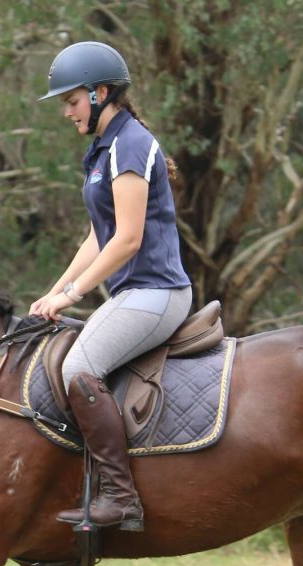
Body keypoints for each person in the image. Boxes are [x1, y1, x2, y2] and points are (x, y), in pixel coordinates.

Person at [30, 41, 192, 532]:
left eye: (72, 100)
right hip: (133, 295)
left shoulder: (130, 143)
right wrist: (54, 290)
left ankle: (122, 499)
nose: (66, 111)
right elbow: (97, 235)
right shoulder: (103, 149)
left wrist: (73, 295)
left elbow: (126, 240)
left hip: (157, 293)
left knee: (80, 367)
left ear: (101, 93)